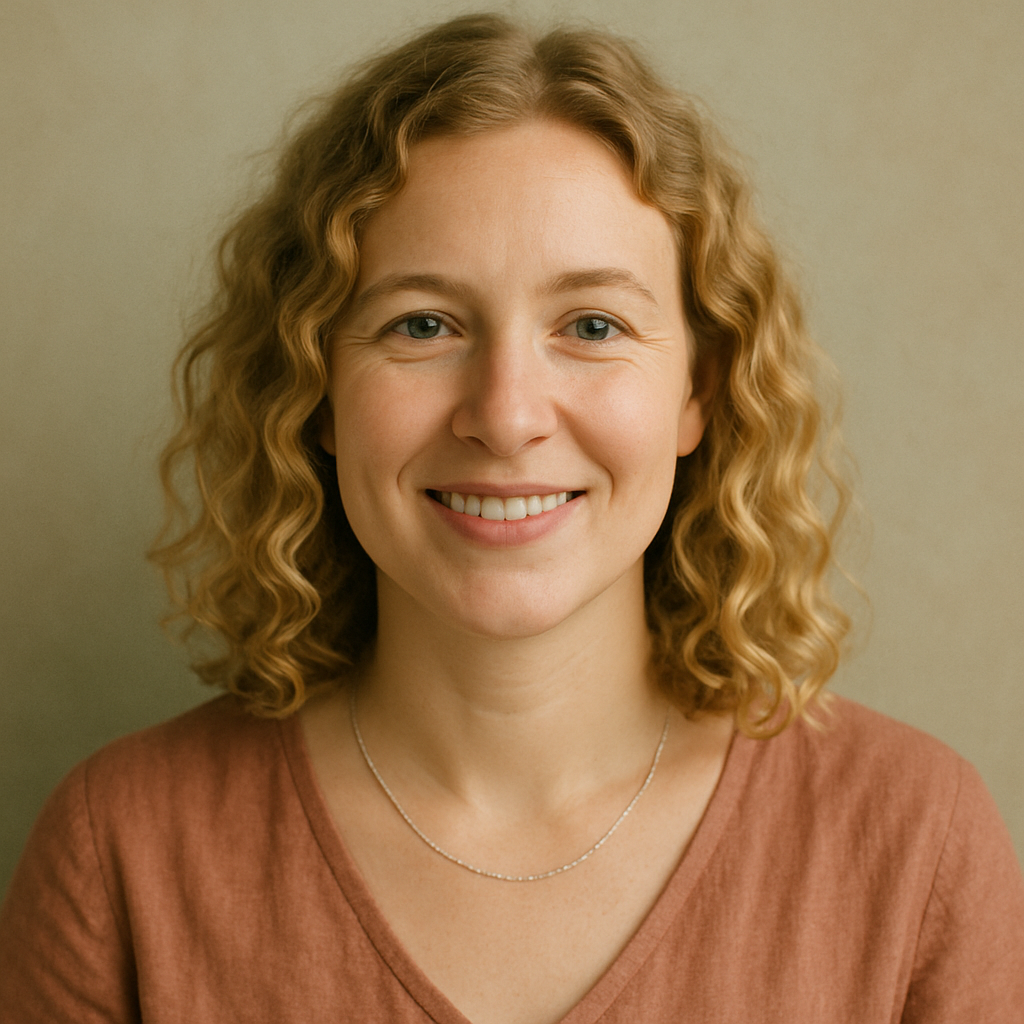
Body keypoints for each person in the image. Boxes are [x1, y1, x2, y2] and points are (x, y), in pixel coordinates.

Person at [1, 12, 1021, 1023]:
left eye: (591, 324)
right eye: (423, 323)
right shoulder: (119, 852)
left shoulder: (914, 842)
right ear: (313, 387)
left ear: (697, 390)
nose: (506, 414)